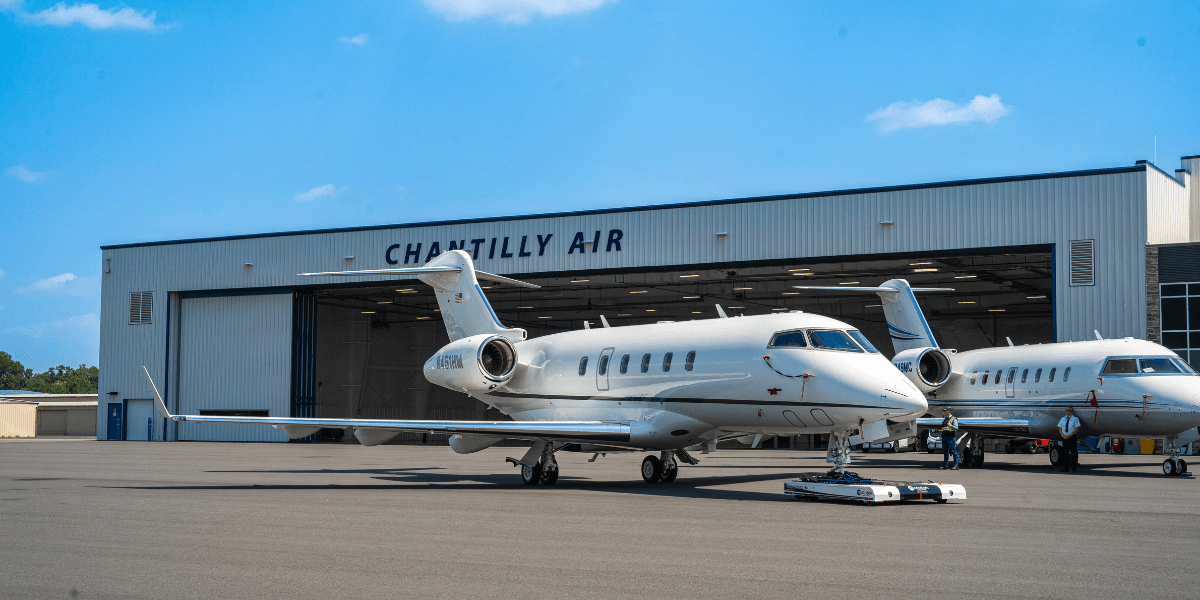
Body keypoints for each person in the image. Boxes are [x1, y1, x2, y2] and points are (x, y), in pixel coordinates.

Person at [1058, 406, 1081, 472]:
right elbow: (1060, 428)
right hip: (1065, 437)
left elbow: (1076, 428)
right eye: (1066, 410)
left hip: (1072, 437)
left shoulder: (1075, 419)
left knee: (1073, 452)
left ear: (1072, 411)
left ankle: (1074, 468)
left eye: (1069, 410)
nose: (1067, 411)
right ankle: (1065, 467)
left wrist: (1069, 435)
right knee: (1065, 453)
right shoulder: (1063, 419)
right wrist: (1063, 435)